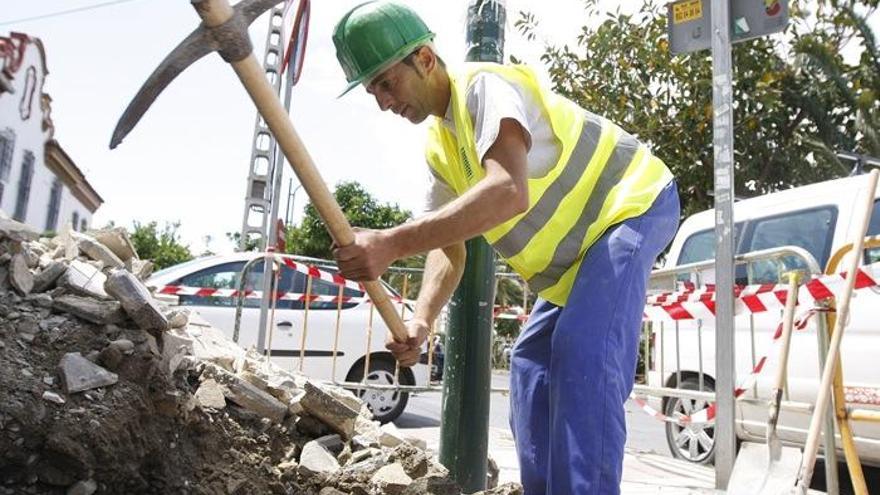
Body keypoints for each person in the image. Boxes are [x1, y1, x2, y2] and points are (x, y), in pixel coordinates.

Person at [331, 2, 680, 493]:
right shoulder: (440, 146)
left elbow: (508, 190)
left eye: (387, 83)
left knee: (583, 353)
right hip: (577, 261)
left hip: (632, 205)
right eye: (374, 92)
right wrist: (421, 320)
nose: (383, 102)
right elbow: (448, 247)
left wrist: (390, 243)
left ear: (426, 59)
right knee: (531, 367)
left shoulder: (483, 87)